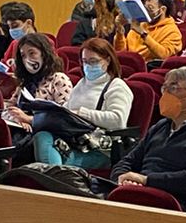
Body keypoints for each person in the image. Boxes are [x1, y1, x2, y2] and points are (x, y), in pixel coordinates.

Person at [111, 65, 186, 203]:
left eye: (173, 88)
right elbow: (128, 160)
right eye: (164, 88)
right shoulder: (161, 126)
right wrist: (122, 178)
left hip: (175, 203)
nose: (165, 94)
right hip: (139, 193)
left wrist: (147, 180)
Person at [29, 37, 133, 169]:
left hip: (99, 147)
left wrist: (81, 113)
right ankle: (57, 177)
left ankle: (56, 177)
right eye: (85, 61)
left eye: (93, 61)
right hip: (74, 140)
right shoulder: (82, 83)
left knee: (50, 161)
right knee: (41, 137)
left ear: (107, 60)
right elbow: (67, 109)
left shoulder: (117, 86)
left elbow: (118, 121)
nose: (88, 66)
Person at [0, 31, 71, 140]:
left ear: (44, 53)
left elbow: (64, 118)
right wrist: (18, 120)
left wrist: (29, 119)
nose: (27, 59)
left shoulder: (59, 79)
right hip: (22, 131)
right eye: (23, 56)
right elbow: (8, 109)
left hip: (49, 136)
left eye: (32, 53)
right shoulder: (25, 82)